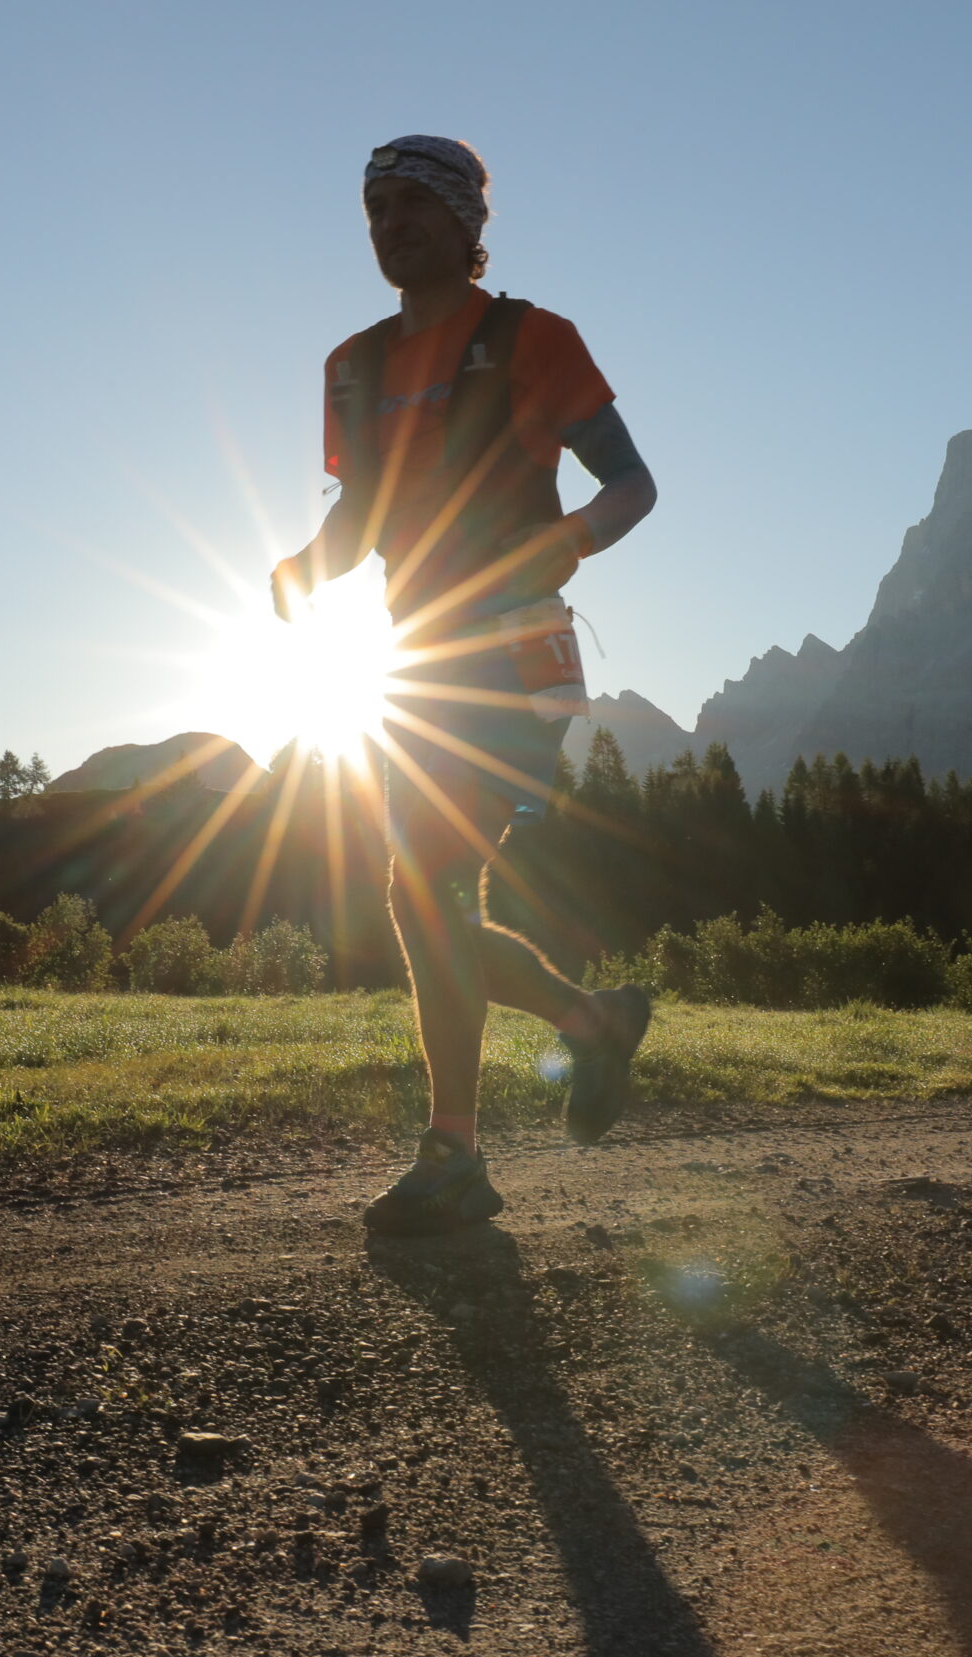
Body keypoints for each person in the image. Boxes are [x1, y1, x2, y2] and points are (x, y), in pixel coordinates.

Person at [270, 135, 659, 1236]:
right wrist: (308, 565)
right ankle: (589, 1021)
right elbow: (362, 518)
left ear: (461, 220)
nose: (388, 225)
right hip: (414, 662)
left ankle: (455, 1154)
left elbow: (632, 484)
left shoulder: (533, 340)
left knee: (433, 888)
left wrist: (568, 542)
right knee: (423, 903)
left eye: (409, 204)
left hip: (516, 656)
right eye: (372, 208)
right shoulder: (352, 366)